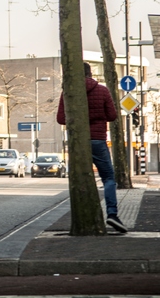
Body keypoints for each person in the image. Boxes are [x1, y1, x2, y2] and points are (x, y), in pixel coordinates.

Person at [56, 62, 127, 233]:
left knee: (79, 179)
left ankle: (82, 215)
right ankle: (112, 214)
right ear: (90, 73)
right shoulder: (102, 90)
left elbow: (61, 119)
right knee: (108, 178)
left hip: (77, 143)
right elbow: (112, 115)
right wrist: (97, 115)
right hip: (97, 140)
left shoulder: (68, 92)